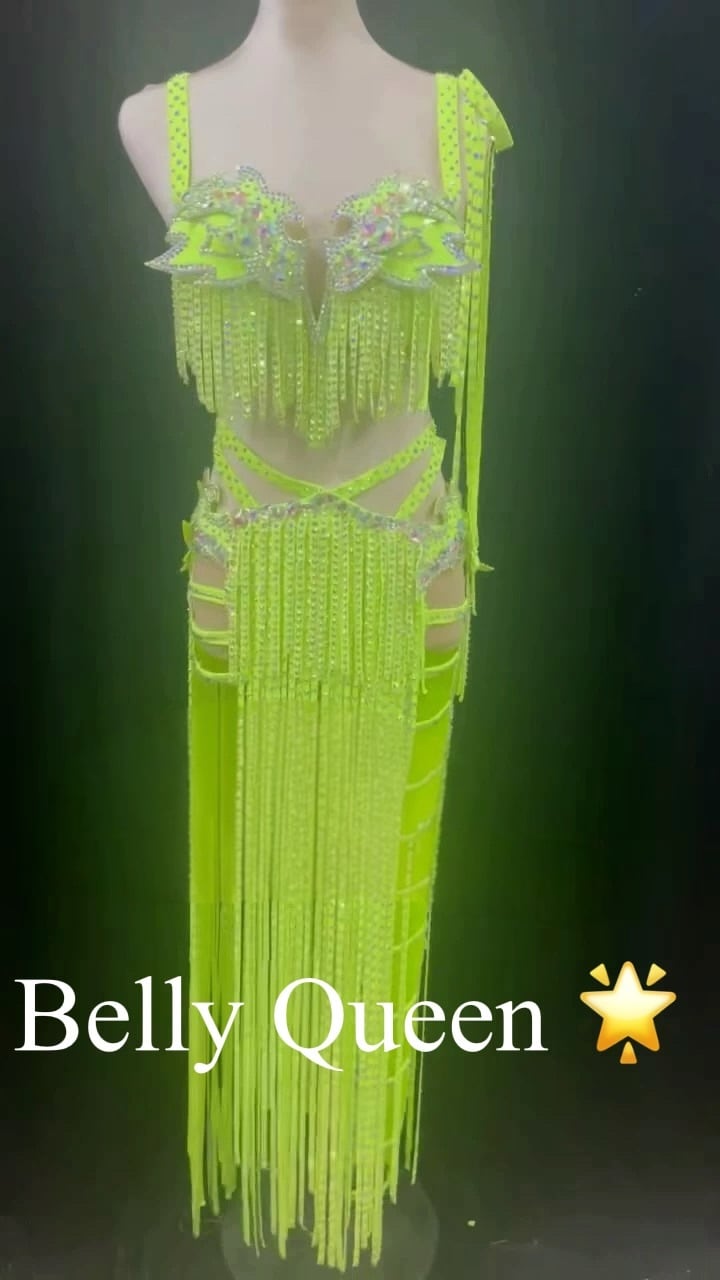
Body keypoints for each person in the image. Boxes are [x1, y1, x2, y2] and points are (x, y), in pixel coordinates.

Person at [118, 0, 512, 1270]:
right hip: (246, 559)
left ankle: (352, 1163)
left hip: (409, 557)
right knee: (258, 884)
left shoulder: (456, 117)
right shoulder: (156, 120)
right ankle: (283, 1161)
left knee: (384, 892)